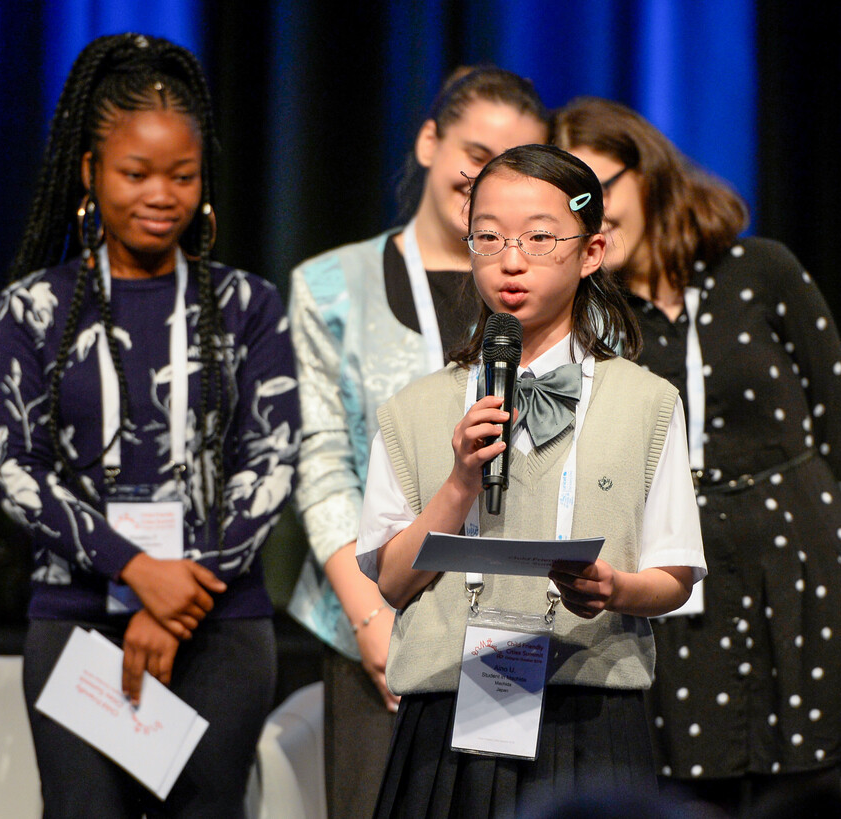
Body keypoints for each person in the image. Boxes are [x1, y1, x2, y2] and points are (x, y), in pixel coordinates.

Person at [0, 34, 300, 817]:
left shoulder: (248, 305)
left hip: (218, 623)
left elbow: (273, 460)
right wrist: (135, 568)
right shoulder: (34, 307)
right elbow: (14, 468)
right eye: (136, 173)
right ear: (90, 172)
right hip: (79, 619)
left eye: (182, 175)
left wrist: (176, 593)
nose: (162, 194)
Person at [354, 143, 706, 817]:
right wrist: (460, 482)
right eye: (489, 237)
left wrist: (614, 588)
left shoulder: (647, 402)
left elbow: (676, 573)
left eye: (540, 238)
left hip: (590, 712)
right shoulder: (415, 409)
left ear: (591, 251)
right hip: (447, 713)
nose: (511, 260)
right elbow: (393, 582)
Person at [554, 98, 841, 815]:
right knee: (688, 794)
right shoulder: (586, 321)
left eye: (596, 191)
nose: (587, 217)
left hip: (797, 571)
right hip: (669, 578)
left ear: (646, 171)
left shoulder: (761, 270)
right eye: (567, 207)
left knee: (804, 796)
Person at [285, 66, 548, 817]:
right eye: (475, 154)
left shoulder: (543, 289)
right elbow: (321, 465)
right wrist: (373, 615)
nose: (486, 178)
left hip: (512, 625)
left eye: (513, 164)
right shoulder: (332, 286)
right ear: (430, 141)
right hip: (376, 623)